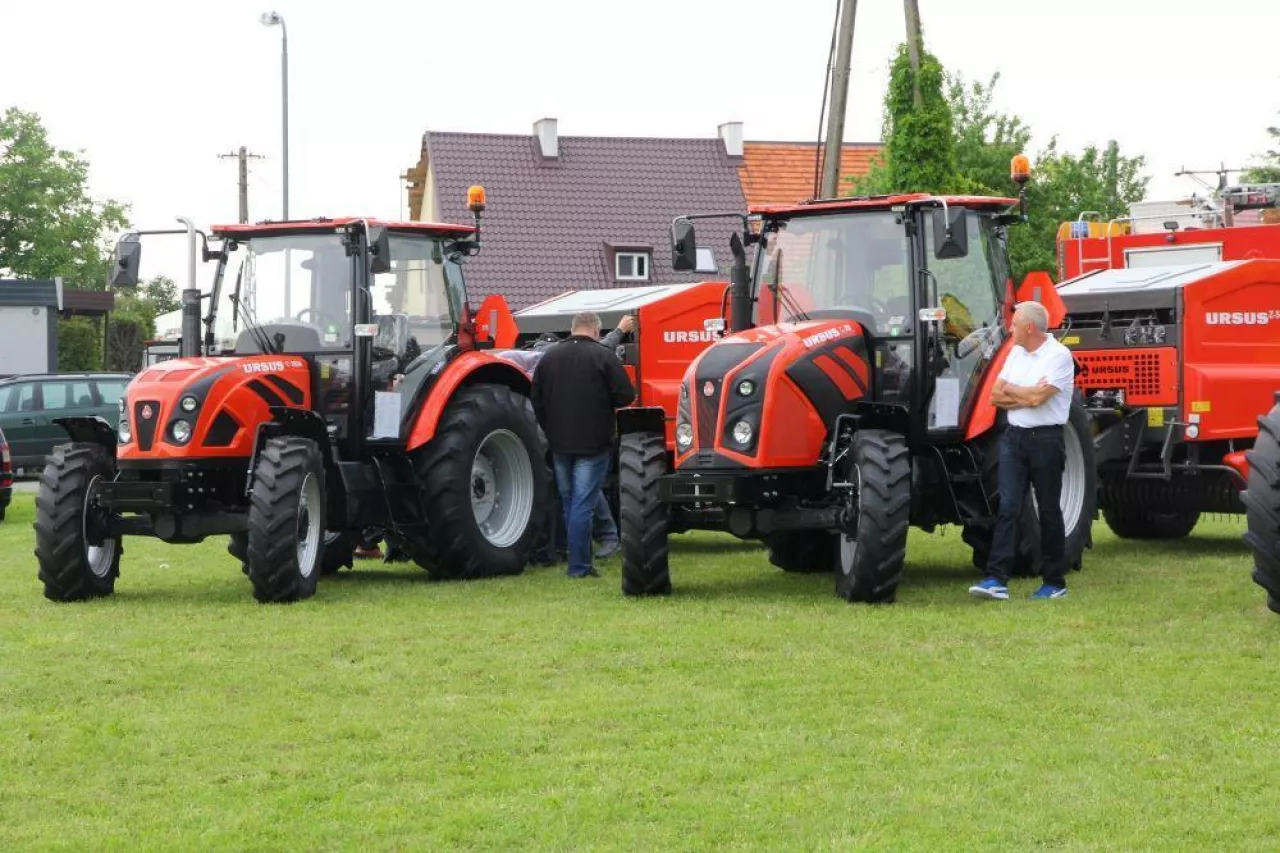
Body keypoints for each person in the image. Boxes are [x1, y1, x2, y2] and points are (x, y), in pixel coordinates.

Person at [969, 300, 1076, 601]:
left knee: (1049, 509)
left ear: (1029, 326)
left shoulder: (1059, 356)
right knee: (1007, 506)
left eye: (1014, 324)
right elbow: (995, 396)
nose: (1009, 328)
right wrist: (1024, 394)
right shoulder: (1016, 353)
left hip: (1046, 441)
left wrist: (1017, 392)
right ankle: (996, 579)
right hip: (1014, 439)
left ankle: (1054, 582)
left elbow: (1038, 400)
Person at [531, 311, 636, 578]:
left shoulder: (549, 358)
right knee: (583, 504)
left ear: (573, 328)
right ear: (596, 331)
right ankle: (579, 567)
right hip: (594, 443)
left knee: (569, 502)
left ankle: (576, 559)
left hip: (559, 443)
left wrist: (550, 429)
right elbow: (626, 396)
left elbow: (537, 401)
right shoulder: (603, 356)